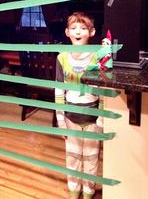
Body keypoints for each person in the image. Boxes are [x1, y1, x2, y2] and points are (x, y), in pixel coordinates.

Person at [55, 12, 102, 199]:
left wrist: (102, 119)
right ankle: (75, 192)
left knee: (91, 159)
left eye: (83, 28)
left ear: (91, 32)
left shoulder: (98, 58)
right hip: (70, 118)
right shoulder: (62, 58)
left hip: (93, 117)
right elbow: (59, 90)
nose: (78, 31)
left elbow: (104, 91)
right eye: (73, 27)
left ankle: (89, 192)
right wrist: (60, 120)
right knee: (72, 158)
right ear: (67, 32)